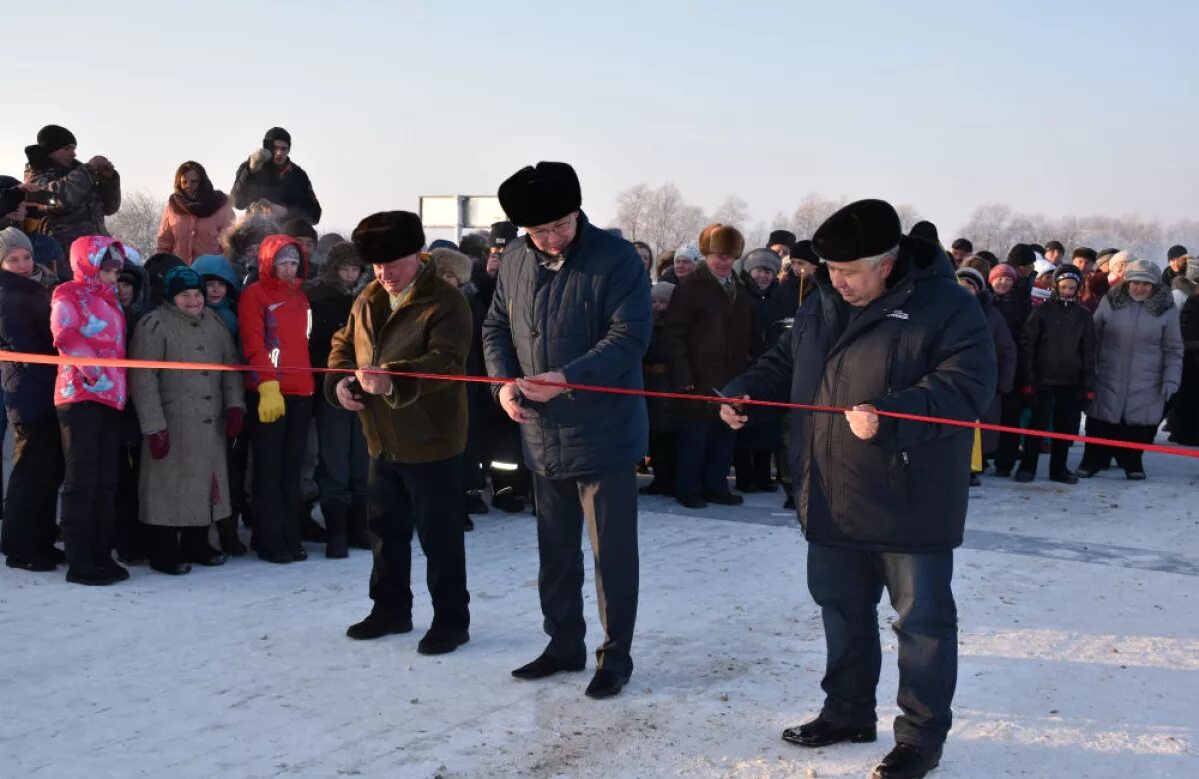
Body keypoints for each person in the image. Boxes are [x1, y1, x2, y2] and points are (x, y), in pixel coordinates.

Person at [720, 199, 995, 779]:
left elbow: (965, 388)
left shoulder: (947, 308)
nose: (835, 281)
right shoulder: (823, 300)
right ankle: (846, 710)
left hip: (908, 495)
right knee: (841, 609)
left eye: (848, 271)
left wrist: (892, 414)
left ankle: (920, 738)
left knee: (920, 624)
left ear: (888, 263)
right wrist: (746, 388)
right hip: (830, 489)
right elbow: (787, 360)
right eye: (830, 269)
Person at [483, 161, 651, 699]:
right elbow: (494, 326)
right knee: (554, 551)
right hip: (540, 431)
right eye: (539, 232)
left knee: (612, 554)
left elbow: (629, 337)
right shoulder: (513, 259)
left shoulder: (616, 258)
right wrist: (503, 383)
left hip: (604, 431)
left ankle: (615, 655)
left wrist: (570, 379)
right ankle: (563, 643)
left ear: (578, 211)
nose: (552, 239)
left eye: (560, 225)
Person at [327, 211, 472, 655]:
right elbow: (343, 342)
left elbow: (445, 363)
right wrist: (339, 381)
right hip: (382, 438)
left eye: (392, 263)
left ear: (416, 255)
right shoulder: (368, 297)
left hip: (432, 441)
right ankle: (391, 609)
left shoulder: (445, 302)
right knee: (385, 531)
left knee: (439, 536)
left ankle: (451, 620)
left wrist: (394, 380)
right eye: (376, 265)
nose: (383, 274)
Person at [128, 267, 244, 575]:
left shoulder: (215, 324)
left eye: (197, 295)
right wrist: (154, 426)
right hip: (172, 421)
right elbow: (143, 378)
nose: (193, 302)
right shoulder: (154, 325)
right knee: (167, 487)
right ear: (170, 297)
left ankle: (198, 543)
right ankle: (163, 551)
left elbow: (230, 365)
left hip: (210, 423)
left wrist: (235, 406)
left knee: (205, 484)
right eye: (185, 295)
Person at [51, 236, 131, 585]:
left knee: (106, 481)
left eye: (116, 270)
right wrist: (94, 373)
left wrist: (116, 387)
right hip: (80, 396)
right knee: (81, 480)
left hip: (112, 398)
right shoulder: (67, 293)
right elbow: (64, 333)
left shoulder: (111, 302)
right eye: (107, 269)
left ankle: (102, 554)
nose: (113, 277)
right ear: (88, 264)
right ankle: (79, 561)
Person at [666, 224, 762, 508]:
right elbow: (674, 335)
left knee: (724, 437)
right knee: (695, 438)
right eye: (718, 255)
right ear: (707, 255)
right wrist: (683, 376)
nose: (723, 262)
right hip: (698, 377)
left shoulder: (742, 290)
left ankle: (716, 485)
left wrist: (752, 373)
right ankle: (688, 488)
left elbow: (754, 335)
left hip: (732, 378)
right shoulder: (691, 288)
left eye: (729, 256)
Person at [238, 235, 315, 563]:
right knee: (268, 468)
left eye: (294, 262)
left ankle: (290, 534)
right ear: (269, 262)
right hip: (270, 393)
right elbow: (254, 343)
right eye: (283, 261)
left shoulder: (301, 297)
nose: (288, 268)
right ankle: (268, 538)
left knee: (291, 469)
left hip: (301, 391)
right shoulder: (254, 295)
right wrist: (267, 385)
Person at [1076, 260, 1183, 480]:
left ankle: (1133, 463)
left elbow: (1173, 347)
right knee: (1100, 422)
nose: (1139, 288)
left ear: (1154, 286)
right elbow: (1093, 336)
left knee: (1137, 426)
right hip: (1108, 372)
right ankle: (1091, 461)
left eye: (1146, 284)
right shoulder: (1111, 301)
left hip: (1147, 378)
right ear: (1127, 282)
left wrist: (1171, 378)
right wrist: (1089, 369)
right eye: (1135, 282)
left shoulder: (1166, 308)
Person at [0, 228, 65, 571]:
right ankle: (20, 548)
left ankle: (41, 539)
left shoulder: (41, 287)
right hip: (27, 392)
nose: (23, 264)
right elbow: (26, 348)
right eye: (14, 260)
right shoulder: (7, 295)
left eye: (26, 257)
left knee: (48, 471)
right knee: (29, 472)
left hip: (47, 389)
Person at [307, 241, 372, 555]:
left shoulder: (370, 298)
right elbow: (314, 345)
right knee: (334, 461)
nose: (349, 275)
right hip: (331, 387)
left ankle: (359, 527)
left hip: (364, 387)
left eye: (354, 269)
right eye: (345, 269)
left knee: (362, 458)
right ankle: (337, 532)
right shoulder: (319, 299)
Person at [1016, 264, 1095, 484]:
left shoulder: (1083, 316)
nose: (1068, 291)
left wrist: (1089, 385)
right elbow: (1028, 346)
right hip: (1043, 380)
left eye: (1072, 287)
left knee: (1065, 427)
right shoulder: (1042, 312)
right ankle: (1027, 466)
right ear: (1056, 286)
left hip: (1071, 381)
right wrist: (1029, 379)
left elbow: (1089, 352)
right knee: (1037, 424)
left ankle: (1059, 469)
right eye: (1064, 287)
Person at [194, 253, 251, 555]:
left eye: (221, 284)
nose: (215, 290)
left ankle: (229, 528)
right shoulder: (191, 317)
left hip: (230, 396)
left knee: (232, 468)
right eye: (209, 284)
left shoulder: (235, 316)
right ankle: (200, 532)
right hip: (198, 398)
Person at [23, 126, 121, 279]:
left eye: (74, 148)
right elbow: (57, 199)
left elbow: (109, 208)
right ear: (52, 149)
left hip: (98, 251)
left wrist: (108, 180)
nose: (74, 154)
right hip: (65, 256)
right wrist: (88, 170)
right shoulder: (36, 176)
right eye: (68, 148)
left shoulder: (77, 173)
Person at [733, 248, 791, 493]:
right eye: (759, 270)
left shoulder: (777, 298)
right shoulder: (742, 295)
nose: (763, 276)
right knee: (746, 423)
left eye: (768, 271)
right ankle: (745, 476)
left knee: (767, 423)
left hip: (770, 366)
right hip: (746, 365)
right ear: (749, 271)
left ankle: (763, 474)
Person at [956, 267, 1016, 478]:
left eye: (970, 286)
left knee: (979, 426)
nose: (966, 290)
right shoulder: (945, 311)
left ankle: (973, 466)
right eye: (961, 285)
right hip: (953, 378)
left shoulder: (991, 315)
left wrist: (1004, 381)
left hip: (983, 380)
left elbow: (1006, 350)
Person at [989, 262, 1034, 477]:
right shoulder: (984, 303)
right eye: (999, 278)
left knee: (1010, 418)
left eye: (1008, 279)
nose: (1004, 282)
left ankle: (1005, 462)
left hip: (1015, 370)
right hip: (989, 368)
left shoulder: (1022, 305)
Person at [640, 281, 682, 496]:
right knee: (655, 436)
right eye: (653, 301)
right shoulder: (644, 323)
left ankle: (671, 479)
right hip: (649, 384)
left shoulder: (675, 328)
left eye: (663, 302)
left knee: (670, 436)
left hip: (669, 384)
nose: (657, 306)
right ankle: (660, 477)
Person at [230, 127, 321, 224]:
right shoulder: (249, 167)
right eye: (275, 148)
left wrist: (286, 212)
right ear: (267, 148)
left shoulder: (299, 175)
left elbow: (315, 215)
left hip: (288, 232)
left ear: (289, 149)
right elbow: (237, 203)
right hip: (256, 231)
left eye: (284, 148)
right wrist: (250, 172)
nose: (279, 153)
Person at [154, 162, 235, 264]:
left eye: (194, 182)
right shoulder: (173, 208)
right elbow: (164, 244)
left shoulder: (221, 206)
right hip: (179, 274)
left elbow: (231, 246)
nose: (188, 186)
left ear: (202, 182)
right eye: (184, 182)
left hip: (211, 275)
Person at [1168, 255, 1199, 445]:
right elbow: (1185, 328)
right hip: (1192, 358)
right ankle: (1184, 432)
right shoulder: (1193, 302)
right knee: (1188, 398)